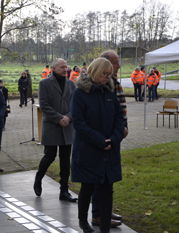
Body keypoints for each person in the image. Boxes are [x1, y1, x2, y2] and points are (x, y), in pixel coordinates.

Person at [71, 57, 124, 233]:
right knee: (87, 187)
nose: (107, 77)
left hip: (109, 150)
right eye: (104, 74)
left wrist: (114, 138)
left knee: (107, 189)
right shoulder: (79, 94)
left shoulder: (109, 92)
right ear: (94, 72)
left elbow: (119, 118)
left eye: (110, 74)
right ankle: (83, 222)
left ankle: (106, 227)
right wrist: (100, 141)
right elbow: (79, 123)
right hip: (88, 149)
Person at [91, 50, 128, 228]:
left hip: (114, 134)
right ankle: (98, 214)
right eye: (115, 62)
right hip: (104, 137)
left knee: (109, 177)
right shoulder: (104, 83)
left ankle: (105, 210)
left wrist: (122, 127)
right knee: (101, 177)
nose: (119, 66)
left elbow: (120, 110)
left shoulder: (113, 80)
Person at [33, 58, 77, 202]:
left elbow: (75, 104)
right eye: (62, 67)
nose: (65, 69)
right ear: (54, 68)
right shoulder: (44, 83)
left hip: (67, 127)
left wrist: (69, 118)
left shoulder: (71, 84)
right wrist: (59, 118)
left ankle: (64, 191)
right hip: (52, 125)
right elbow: (44, 105)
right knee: (49, 156)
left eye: (66, 67)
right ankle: (38, 178)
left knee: (65, 161)